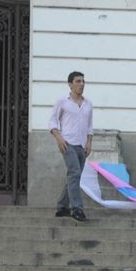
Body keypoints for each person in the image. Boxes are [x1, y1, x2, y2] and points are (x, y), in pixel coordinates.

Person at [49, 70, 93, 223]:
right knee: (74, 172)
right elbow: (52, 122)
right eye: (78, 81)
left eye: (83, 81)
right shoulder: (62, 101)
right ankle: (77, 209)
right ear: (70, 84)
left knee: (74, 176)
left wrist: (89, 142)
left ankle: (62, 206)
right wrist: (59, 138)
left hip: (81, 145)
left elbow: (89, 126)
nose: (81, 84)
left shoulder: (88, 104)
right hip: (67, 143)